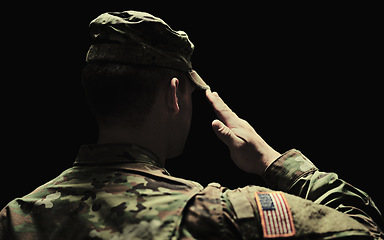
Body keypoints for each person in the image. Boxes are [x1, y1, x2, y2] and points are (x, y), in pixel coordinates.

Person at [1, 10, 383, 240]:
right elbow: (363, 230)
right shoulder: (216, 215)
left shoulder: (14, 218)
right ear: (173, 94)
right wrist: (273, 161)